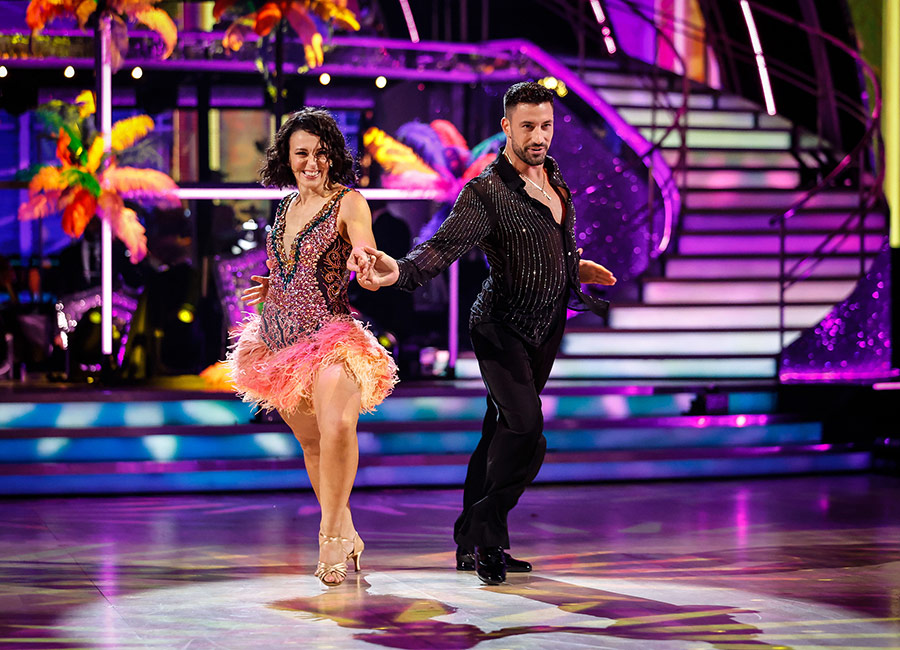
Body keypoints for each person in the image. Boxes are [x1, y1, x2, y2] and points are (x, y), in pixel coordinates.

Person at [351, 82, 616, 585]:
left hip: (546, 326)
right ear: (506, 128)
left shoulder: (555, 178)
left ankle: (470, 544)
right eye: (528, 126)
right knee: (526, 429)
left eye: (546, 126)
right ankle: (483, 533)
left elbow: (550, 245)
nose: (538, 136)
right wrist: (397, 272)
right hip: (498, 327)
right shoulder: (486, 191)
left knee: (500, 432)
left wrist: (574, 268)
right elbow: (440, 248)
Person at [228, 108, 398, 586]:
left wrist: (369, 262)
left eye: (321, 153)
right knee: (311, 442)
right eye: (302, 153)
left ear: (333, 157)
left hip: (330, 338)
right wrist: (277, 286)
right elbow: (293, 266)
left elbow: (364, 246)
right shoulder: (284, 207)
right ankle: (348, 531)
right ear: (286, 157)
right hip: (280, 342)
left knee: (338, 427)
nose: (311, 162)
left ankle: (330, 539)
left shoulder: (349, 202)